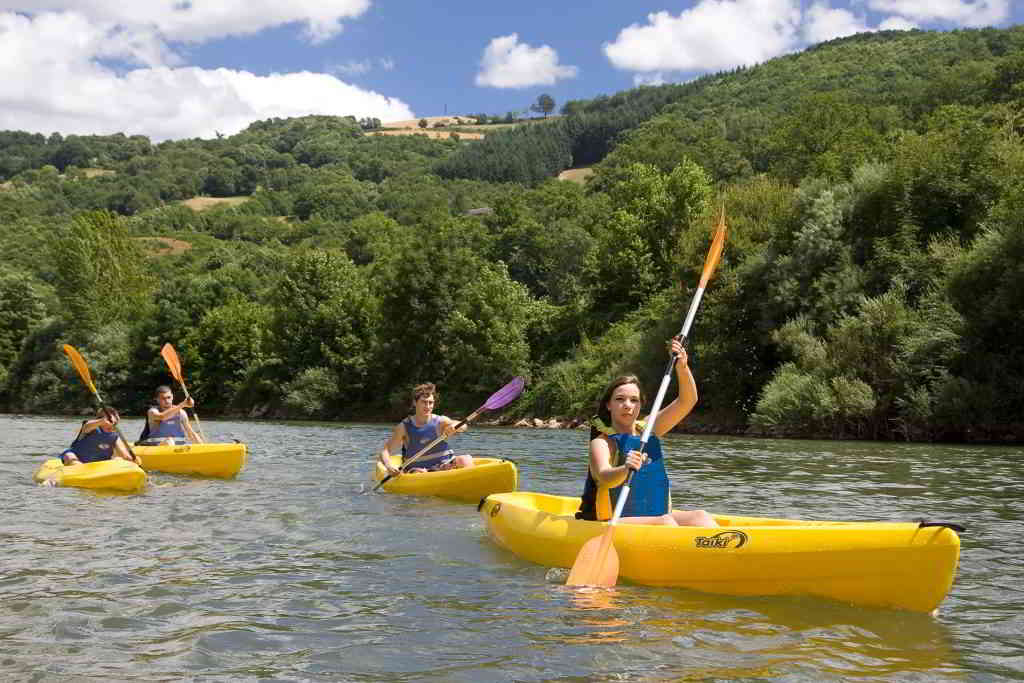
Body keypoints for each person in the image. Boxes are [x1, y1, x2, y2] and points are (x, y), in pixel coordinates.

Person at [576, 337, 717, 527]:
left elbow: (687, 400)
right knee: (666, 522)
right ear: (609, 405)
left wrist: (682, 366)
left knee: (701, 517)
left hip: (657, 516)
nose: (627, 405)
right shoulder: (602, 442)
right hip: (615, 520)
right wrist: (625, 469)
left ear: (641, 404)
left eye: (634, 400)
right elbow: (604, 476)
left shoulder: (650, 429)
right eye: (620, 399)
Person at [378, 382, 474, 475]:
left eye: (430, 403)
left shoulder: (440, 421)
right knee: (419, 473)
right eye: (424, 402)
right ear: (415, 402)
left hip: (445, 465)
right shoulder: (404, 427)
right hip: (419, 470)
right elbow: (386, 450)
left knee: (465, 459)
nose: (428, 406)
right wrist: (388, 466)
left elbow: (463, 426)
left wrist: (455, 426)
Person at [60, 408, 137, 465]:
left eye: (116, 423)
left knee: (118, 459)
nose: (113, 425)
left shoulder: (115, 436)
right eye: (111, 422)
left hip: (99, 464)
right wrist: (103, 420)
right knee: (69, 456)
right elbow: (87, 426)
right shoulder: (90, 427)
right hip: (78, 460)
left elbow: (124, 454)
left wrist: (132, 460)